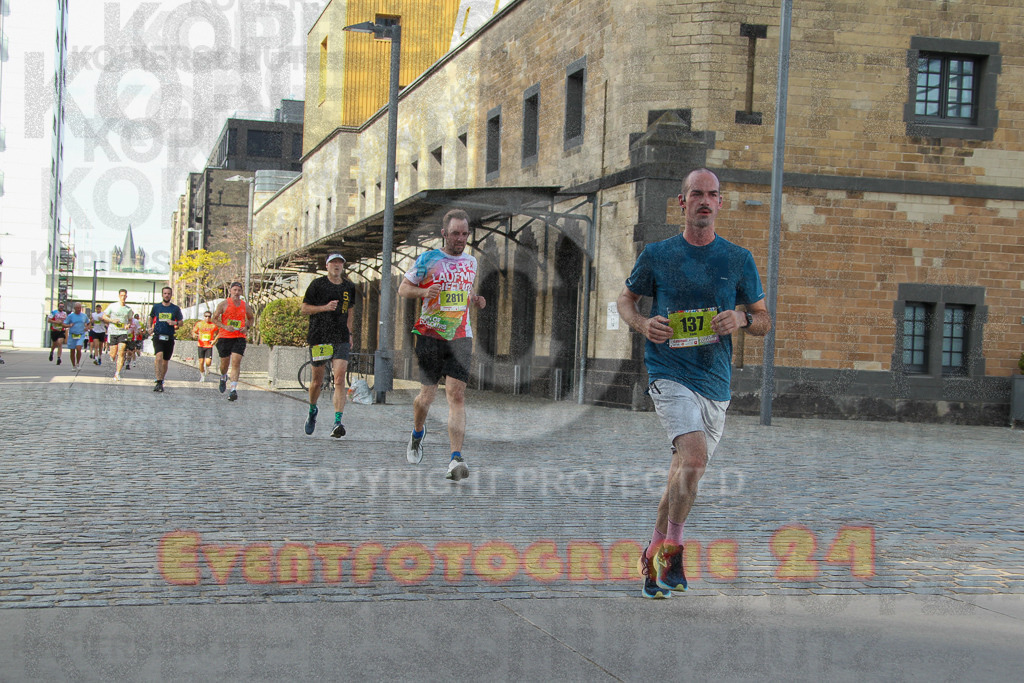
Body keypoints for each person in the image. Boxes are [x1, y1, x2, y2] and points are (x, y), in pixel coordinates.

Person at [617, 169, 770, 599]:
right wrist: (644, 324)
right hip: (668, 371)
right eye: (696, 194)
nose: (705, 201)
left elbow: (764, 319)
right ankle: (675, 552)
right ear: (682, 203)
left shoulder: (738, 259)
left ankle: (651, 552)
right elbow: (625, 299)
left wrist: (741, 318)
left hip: (715, 381)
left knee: (683, 475)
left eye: (713, 194)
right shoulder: (658, 255)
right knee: (695, 459)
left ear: (720, 203)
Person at [397, 209, 486, 482]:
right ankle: (417, 432)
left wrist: (474, 299)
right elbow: (403, 289)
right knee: (427, 397)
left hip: (460, 335)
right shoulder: (428, 259)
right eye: (456, 233)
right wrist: (424, 291)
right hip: (430, 335)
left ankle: (455, 458)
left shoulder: (471, 262)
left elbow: (463, 289)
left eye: (465, 233)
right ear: (444, 234)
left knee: (457, 395)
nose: (461, 239)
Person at [300, 253, 357, 437]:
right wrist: (324, 307)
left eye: (340, 262)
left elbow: (350, 312)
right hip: (320, 336)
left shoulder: (349, 286)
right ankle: (312, 410)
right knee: (317, 381)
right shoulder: (317, 285)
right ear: (327, 266)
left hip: (340, 337)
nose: (337, 265)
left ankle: (337, 422)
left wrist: (349, 333)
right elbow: (304, 309)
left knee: (339, 379)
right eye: (333, 262)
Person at [211, 281, 255, 402]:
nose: (236, 292)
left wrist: (246, 327)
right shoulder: (223, 304)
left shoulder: (245, 305)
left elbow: (251, 318)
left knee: (236, 362)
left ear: (241, 292)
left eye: (239, 290)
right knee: (224, 364)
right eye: (234, 290)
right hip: (225, 337)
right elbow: (214, 319)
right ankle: (223, 376)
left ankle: (233, 390)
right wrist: (225, 327)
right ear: (230, 291)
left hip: (239, 337)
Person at [148, 286, 184, 392]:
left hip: (169, 337)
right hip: (158, 335)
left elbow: (181, 322)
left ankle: (161, 380)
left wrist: (175, 322)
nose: (167, 295)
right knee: (158, 357)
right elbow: (150, 317)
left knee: (165, 361)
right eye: (165, 293)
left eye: (168, 293)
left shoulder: (175, 309)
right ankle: (158, 381)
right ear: (162, 294)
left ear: (171, 295)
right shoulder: (156, 307)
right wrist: (150, 327)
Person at [102, 289, 134, 381]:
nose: (123, 297)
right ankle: (112, 357)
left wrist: (128, 325)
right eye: (121, 295)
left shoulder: (128, 309)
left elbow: (130, 320)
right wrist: (112, 320)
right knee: (113, 354)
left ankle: (117, 373)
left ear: (126, 297)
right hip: (113, 332)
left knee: (121, 351)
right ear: (119, 296)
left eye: (125, 295)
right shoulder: (112, 306)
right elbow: (104, 316)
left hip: (123, 332)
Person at [63, 302, 91, 369]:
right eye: (77, 308)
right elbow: (64, 324)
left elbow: (89, 323)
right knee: (72, 350)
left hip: (80, 334)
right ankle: (73, 365)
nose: (78, 309)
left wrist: (87, 327)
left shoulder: (84, 316)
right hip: (72, 335)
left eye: (80, 308)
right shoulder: (70, 316)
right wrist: (69, 325)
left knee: (78, 348)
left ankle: (78, 363)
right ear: (74, 308)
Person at [192, 310, 219, 381]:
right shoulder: (199, 324)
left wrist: (214, 340)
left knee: (208, 362)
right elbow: (194, 331)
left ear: (211, 317)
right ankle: (202, 376)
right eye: (206, 316)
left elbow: (218, 334)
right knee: (201, 362)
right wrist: (194, 335)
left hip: (209, 346)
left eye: (209, 316)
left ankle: (207, 368)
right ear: (204, 317)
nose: (207, 318)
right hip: (200, 345)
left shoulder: (213, 325)